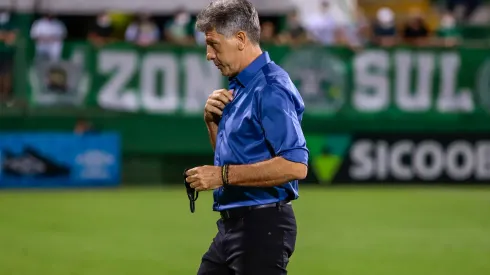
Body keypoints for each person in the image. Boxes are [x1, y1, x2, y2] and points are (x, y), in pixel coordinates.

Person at [186, 0, 309, 274]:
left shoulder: (270, 87)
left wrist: (221, 176)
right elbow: (234, 156)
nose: (208, 54)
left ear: (240, 39)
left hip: (262, 227)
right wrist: (212, 124)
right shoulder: (241, 86)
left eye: (214, 44)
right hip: (232, 227)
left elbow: (296, 165)